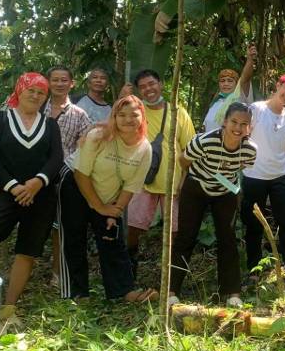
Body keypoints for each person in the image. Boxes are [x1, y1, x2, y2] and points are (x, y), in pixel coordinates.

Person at [0, 73, 63, 317]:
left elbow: (56, 159)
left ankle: (8, 306)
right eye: (31, 90)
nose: (35, 95)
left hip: (40, 195)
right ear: (19, 90)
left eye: (41, 92)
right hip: (7, 192)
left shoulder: (50, 124)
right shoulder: (1, 119)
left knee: (27, 249)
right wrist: (14, 186)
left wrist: (36, 183)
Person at [57, 94, 156, 302]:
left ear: (142, 118)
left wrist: (115, 210)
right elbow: (81, 174)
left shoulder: (145, 149)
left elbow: (131, 185)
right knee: (74, 237)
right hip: (76, 183)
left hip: (109, 193)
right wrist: (98, 207)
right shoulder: (99, 136)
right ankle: (77, 293)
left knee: (112, 236)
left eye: (134, 115)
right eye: (122, 115)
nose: (128, 119)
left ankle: (123, 291)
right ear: (114, 116)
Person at [171, 102, 257, 308]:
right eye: (234, 122)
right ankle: (171, 290)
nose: (238, 128)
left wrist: (222, 178)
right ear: (224, 122)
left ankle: (231, 292)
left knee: (228, 239)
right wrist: (201, 175)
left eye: (243, 124)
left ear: (249, 128)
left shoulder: (250, 150)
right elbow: (184, 160)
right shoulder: (204, 141)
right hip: (195, 187)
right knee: (185, 236)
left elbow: (241, 167)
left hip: (224, 192)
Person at [126, 69, 196, 278]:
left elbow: (190, 150)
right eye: (143, 87)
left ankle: (172, 277)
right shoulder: (136, 113)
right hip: (141, 181)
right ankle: (129, 269)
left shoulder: (178, 112)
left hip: (172, 182)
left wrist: (185, 180)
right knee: (132, 227)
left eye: (151, 84)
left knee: (175, 232)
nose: (148, 89)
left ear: (161, 84)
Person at [241, 74, 285, 288]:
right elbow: (244, 137)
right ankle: (254, 271)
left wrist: (277, 163)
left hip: (281, 175)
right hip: (254, 174)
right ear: (278, 85)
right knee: (253, 225)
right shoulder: (256, 109)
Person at [46, 65, 93, 288]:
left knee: (60, 226)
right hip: (35, 177)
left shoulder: (80, 115)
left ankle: (57, 272)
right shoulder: (36, 108)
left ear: (71, 84)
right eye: (55, 80)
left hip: (64, 178)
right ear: (48, 82)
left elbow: (86, 147)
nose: (59, 84)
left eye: (64, 80)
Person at [203, 45, 257, 132]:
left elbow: (245, 78)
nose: (226, 84)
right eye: (222, 81)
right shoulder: (216, 101)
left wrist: (250, 60)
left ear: (236, 84)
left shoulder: (239, 97)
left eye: (230, 81)